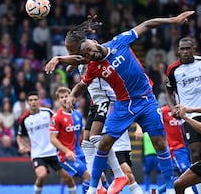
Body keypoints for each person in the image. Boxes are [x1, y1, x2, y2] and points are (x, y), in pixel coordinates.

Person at [55, 11, 196, 194]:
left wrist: (173, 20)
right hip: (123, 106)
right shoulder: (93, 67)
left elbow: (146, 23)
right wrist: (73, 94)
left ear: (95, 42)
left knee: (160, 144)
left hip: (146, 100)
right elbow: (82, 84)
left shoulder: (119, 41)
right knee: (103, 143)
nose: (91, 53)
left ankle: (170, 189)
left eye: (90, 48)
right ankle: (92, 189)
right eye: (87, 54)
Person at [45, 16, 140, 194]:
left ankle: (119, 175)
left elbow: (84, 60)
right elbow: (79, 61)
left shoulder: (91, 52)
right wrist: (72, 64)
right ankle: (98, 187)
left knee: (96, 139)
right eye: (68, 51)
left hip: (109, 100)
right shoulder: (80, 57)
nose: (72, 54)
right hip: (97, 102)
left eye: (72, 50)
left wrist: (59, 59)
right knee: (87, 142)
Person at [165, 36, 201, 192]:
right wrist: (173, 107)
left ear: (193, 49)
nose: (186, 51)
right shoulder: (173, 69)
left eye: (188, 48)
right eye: (182, 49)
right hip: (189, 116)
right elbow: (168, 91)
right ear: (178, 50)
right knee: (195, 153)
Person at [16, 91, 76, 194]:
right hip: (38, 154)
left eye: (35, 99)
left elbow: (58, 123)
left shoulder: (48, 112)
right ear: (28, 103)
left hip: (53, 152)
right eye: (31, 100)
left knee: (68, 177)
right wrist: (21, 145)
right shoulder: (24, 119)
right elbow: (19, 135)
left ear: (39, 101)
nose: (33, 102)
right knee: (41, 175)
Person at [50, 87, 92, 194]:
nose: (64, 99)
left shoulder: (77, 114)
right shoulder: (56, 117)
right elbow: (52, 139)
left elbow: (83, 134)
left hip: (80, 153)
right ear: (58, 100)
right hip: (66, 156)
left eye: (66, 96)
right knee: (90, 177)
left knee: (97, 176)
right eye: (61, 97)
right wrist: (67, 151)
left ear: (71, 97)